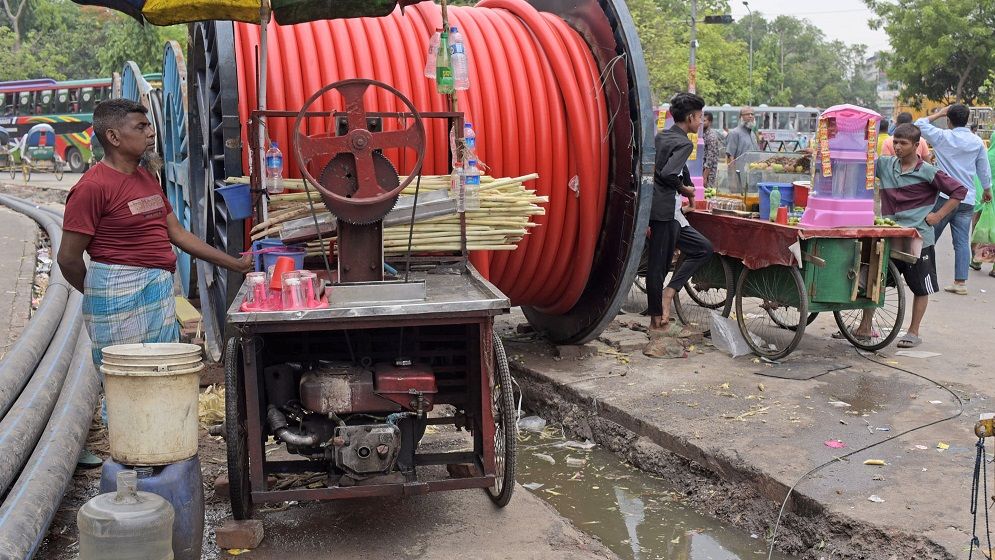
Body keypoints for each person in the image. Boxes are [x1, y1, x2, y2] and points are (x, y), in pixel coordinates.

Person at [57, 99, 252, 374]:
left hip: (157, 289)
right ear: (113, 137)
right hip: (117, 294)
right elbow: (67, 258)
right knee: (126, 380)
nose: (151, 133)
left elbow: (178, 233)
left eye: (149, 125)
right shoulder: (92, 188)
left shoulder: (146, 177)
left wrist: (236, 264)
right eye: (141, 127)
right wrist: (99, 297)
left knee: (161, 374)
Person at [854, 124, 967, 348]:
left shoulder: (928, 171)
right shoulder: (886, 165)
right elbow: (862, 164)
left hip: (919, 238)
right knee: (875, 279)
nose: (897, 146)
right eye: (895, 142)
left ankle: (913, 332)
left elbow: (959, 191)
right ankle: (865, 326)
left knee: (920, 286)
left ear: (916, 146)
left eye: (903, 143)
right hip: (889, 235)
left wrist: (938, 215)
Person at [647, 92, 714, 334]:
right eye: (700, 116)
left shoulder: (662, 136)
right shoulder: (685, 143)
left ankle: (669, 291)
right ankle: (656, 319)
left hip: (665, 209)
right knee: (658, 266)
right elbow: (666, 173)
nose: (701, 121)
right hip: (664, 210)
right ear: (690, 117)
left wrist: (687, 188)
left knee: (702, 248)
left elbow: (667, 167)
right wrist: (685, 188)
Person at [915, 104, 993, 294]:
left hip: (945, 197)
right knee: (960, 241)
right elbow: (983, 168)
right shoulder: (976, 141)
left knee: (929, 236)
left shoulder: (942, 137)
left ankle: (919, 274)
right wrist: (987, 189)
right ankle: (960, 283)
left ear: (948, 120)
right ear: (967, 120)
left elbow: (918, 124)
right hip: (967, 198)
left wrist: (939, 113)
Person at [970, 128, 995, 276]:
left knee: (979, 228)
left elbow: (979, 177)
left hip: (986, 197)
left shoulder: (987, 155)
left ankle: (977, 260)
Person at [725, 107, 758, 193]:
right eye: (747, 114)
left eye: (752, 114)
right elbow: (730, 158)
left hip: (752, 178)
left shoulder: (753, 134)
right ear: (741, 117)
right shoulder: (734, 133)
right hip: (739, 178)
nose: (750, 116)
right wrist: (733, 180)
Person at [701, 112, 720, 191]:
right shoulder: (702, 133)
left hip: (708, 174)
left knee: (707, 193)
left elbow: (710, 159)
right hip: (702, 171)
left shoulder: (711, 136)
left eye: (704, 120)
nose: (701, 122)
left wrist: (705, 176)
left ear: (710, 122)